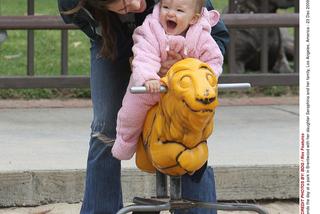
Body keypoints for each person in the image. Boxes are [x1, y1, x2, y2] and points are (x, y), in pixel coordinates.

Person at [58, 0, 229, 213]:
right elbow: (97, 31)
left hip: (180, 51)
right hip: (115, 43)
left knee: (187, 124)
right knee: (105, 127)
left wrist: (193, 68)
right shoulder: (74, 5)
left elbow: (217, 36)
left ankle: (197, 209)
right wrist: (137, 60)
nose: (135, 3)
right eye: (123, 5)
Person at [111, 0, 223, 161]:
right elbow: (144, 55)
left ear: (193, 18)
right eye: (165, 7)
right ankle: (125, 142)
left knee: (198, 113)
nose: (170, 13)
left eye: (179, 10)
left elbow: (213, 61)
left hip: (185, 90)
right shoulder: (152, 28)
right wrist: (148, 77)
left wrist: (203, 80)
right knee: (130, 111)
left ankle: (193, 149)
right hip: (153, 85)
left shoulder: (201, 35)